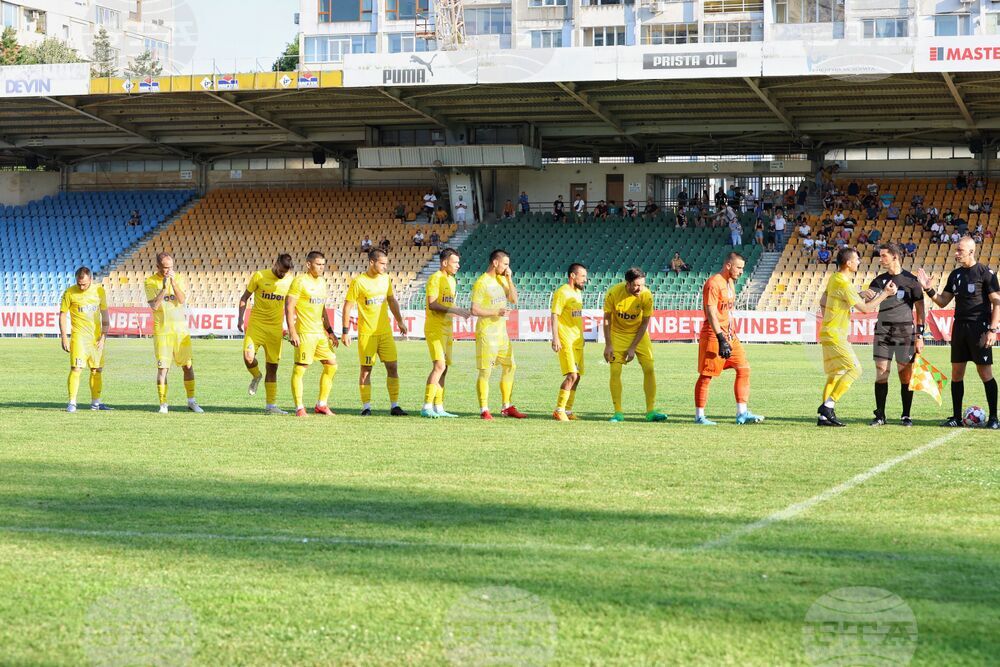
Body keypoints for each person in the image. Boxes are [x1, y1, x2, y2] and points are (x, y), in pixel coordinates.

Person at [918, 237, 1000, 428]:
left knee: (985, 372)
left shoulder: (985, 273)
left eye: (960, 250)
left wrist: (993, 330)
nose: (956, 253)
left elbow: (997, 302)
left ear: (971, 251)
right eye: (956, 250)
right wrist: (928, 289)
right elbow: (942, 301)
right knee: (956, 373)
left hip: (980, 328)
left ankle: (994, 418)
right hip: (960, 328)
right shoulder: (955, 275)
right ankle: (955, 417)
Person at [817, 248, 896, 426]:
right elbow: (867, 309)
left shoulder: (835, 278)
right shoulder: (844, 284)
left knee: (835, 374)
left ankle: (823, 418)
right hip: (836, 334)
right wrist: (885, 294)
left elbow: (823, 301)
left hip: (828, 332)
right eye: (857, 259)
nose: (859, 262)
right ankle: (828, 407)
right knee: (855, 369)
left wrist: (854, 298)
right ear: (849, 263)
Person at [694, 252, 763, 426]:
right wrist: (720, 338)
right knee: (706, 376)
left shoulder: (730, 283)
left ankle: (742, 413)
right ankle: (699, 416)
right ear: (728, 265)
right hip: (713, 335)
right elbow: (710, 312)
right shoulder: (713, 283)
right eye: (739, 267)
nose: (741, 271)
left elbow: (726, 312)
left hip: (730, 336)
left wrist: (729, 334)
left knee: (744, 369)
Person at [342, 249, 409, 416]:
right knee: (366, 370)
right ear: (372, 262)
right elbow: (348, 306)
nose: (385, 267)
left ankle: (395, 405)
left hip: (385, 333)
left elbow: (392, 300)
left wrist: (399, 320)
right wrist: (345, 331)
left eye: (386, 263)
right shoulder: (359, 282)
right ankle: (366, 407)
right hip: (367, 334)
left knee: (392, 367)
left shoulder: (386, 279)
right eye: (382, 263)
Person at [864, 244, 925, 427]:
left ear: (895, 257)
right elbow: (869, 303)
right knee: (882, 372)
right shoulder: (878, 280)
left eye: (883, 256)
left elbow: (921, 310)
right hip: (882, 331)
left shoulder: (911, 280)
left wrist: (920, 335)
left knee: (905, 375)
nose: (880, 259)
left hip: (905, 332)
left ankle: (906, 415)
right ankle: (880, 415)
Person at [603, 268, 668, 423]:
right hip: (617, 334)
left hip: (639, 333)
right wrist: (608, 345)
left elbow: (645, 322)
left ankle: (651, 411)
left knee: (649, 368)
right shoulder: (613, 293)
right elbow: (607, 319)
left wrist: (633, 347)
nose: (640, 289)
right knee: (615, 370)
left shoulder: (646, 295)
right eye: (637, 285)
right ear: (628, 283)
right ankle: (618, 412)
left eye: (642, 285)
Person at [145, 253, 202, 414]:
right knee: (163, 369)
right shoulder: (149, 282)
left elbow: (182, 299)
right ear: (157, 267)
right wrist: (163, 288)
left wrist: (173, 283)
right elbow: (154, 306)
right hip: (162, 332)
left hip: (180, 330)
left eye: (170, 267)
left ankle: (191, 401)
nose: (168, 270)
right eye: (165, 267)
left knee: (188, 366)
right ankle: (163, 404)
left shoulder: (180, 279)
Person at [471, 249, 525, 420]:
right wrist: (496, 311)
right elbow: (474, 309)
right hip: (487, 334)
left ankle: (506, 406)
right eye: (505, 264)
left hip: (502, 335)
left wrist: (509, 278)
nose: (507, 267)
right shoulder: (482, 282)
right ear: (495, 263)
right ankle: (484, 409)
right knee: (486, 372)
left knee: (510, 366)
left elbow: (514, 300)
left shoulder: (503, 280)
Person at [237, 254, 294, 414]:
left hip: (275, 329)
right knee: (248, 358)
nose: (282, 274)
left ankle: (271, 406)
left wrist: (292, 328)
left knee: (272, 368)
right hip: (256, 326)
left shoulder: (290, 281)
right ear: (275, 264)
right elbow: (244, 298)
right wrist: (241, 319)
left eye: (285, 272)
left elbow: (292, 304)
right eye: (281, 270)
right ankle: (256, 376)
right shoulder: (259, 276)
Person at [285, 251, 338, 417]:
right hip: (305, 333)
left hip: (319, 333)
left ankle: (321, 404)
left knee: (331, 365)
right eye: (318, 264)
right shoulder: (299, 281)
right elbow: (289, 307)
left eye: (323, 264)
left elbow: (322, 308)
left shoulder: (322, 282)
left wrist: (330, 331)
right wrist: (292, 332)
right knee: (300, 369)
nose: (321, 267)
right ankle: (299, 407)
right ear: (308, 264)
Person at [422, 248, 472, 418]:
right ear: (444, 263)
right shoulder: (436, 278)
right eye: (455, 262)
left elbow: (448, 307)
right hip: (435, 328)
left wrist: (461, 312)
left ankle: (439, 407)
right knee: (439, 366)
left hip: (447, 328)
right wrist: (456, 310)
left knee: (444, 369)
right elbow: (433, 304)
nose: (458, 265)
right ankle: (426, 406)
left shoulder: (452, 280)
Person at [59, 266, 111, 413]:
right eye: (79, 283)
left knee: (97, 370)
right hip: (79, 338)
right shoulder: (69, 292)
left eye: (85, 284)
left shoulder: (99, 291)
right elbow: (62, 315)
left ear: (91, 280)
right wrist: (64, 337)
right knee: (76, 369)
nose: (81, 287)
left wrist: (103, 336)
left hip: (96, 339)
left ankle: (96, 403)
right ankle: (72, 403)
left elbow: (105, 315)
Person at [551, 263, 588, 421]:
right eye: (583, 276)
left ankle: (568, 410)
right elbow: (554, 315)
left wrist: (582, 336)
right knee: (571, 375)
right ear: (572, 276)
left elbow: (576, 318)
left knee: (577, 376)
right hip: (565, 340)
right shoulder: (562, 292)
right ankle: (559, 409)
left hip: (577, 341)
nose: (585, 280)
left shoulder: (578, 293)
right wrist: (555, 338)